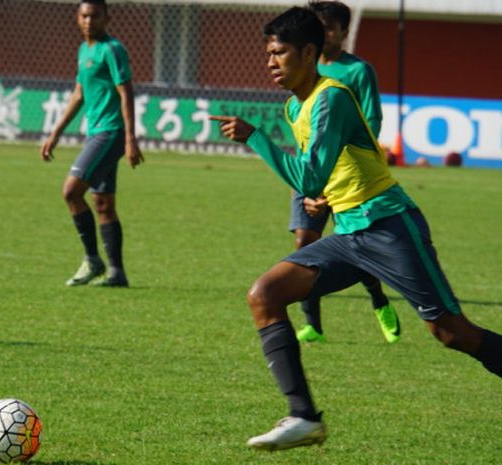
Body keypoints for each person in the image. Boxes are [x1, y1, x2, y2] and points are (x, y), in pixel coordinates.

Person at [210, 6, 501, 452]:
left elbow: (307, 173)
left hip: (388, 226)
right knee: (264, 295)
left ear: (309, 52)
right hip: (348, 234)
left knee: (450, 332)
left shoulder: (334, 96)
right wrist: (322, 193)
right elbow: (319, 172)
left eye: (280, 52)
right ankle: (304, 418)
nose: (270, 62)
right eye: (268, 53)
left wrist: (255, 138)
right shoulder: (295, 106)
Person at [289, 0, 399, 344]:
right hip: (310, 172)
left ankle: (379, 299)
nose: (324, 35)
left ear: (344, 32)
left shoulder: (358, 72)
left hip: (347, 176)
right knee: (305, 243)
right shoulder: (305, 68)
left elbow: (372, 122)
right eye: (318, 29)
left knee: (357, 246)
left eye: (330, 29)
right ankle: (314, 325)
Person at [40, 0, 143, 287]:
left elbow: (127, 92)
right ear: (77, 17)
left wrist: (131, 139)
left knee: (71, 192)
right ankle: (117, 273)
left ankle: (92, 259)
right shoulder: (84, 50)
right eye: (85, 15)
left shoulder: (112, 49)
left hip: (110, 134)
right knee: (102, 202)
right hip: (95, 131)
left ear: (107, 17)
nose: (89, 21)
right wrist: (55, 133)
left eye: (95, 15)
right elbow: (79, 94)